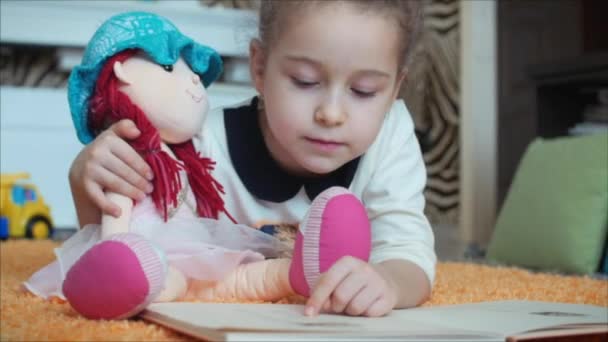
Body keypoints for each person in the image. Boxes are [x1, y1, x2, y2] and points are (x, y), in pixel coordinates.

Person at [68, 0, 436, 317]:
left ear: (394, 90)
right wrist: (89, 183)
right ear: (259, 69)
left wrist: (389, 281)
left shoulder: (391, 134)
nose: (331, 113)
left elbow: (408, 250)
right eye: (306, 82)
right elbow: (132, 250)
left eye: (364, 91)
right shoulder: (200, 144)